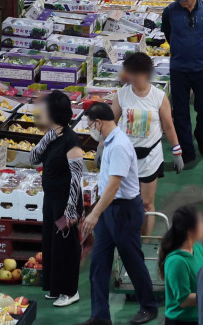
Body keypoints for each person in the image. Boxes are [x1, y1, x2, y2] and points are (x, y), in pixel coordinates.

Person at [81, 102, 158, 325]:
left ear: (98, 122)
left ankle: (149, 306)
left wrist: (94, 214)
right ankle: (99, 316)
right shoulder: (109, 142)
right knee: (99, 263)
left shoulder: (120, 146)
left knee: (132, 260)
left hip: (124, 210)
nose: (90, 129)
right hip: (109, 209)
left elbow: (115, 185)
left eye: (90, 125)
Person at [112, 52, 184, 236]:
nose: (132, 77)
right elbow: (110, 124)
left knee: (146, 203)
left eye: (136, 73)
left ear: (146, 73)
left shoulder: (159, 97)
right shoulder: (121, 96)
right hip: (124, 158)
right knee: (125, 202)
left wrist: (177, 153)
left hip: (150, 158)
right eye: (130, 73)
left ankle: (144, 241)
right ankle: (125, 239)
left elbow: (168, 126)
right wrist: (101, 148)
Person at [29, 90, 85, 307]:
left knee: (66, 247)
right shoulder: (52, 135)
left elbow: (76, 178)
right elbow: (33, 158)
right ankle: (55, 287)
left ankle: (70, 291)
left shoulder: (72, 141)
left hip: (65, 202)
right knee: (51, 244)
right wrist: (47, 139)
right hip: (51, 200)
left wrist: (71, 210)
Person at [161, 0, 203, 161]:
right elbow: (168, 34)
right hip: (179, 68)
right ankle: (187, 151)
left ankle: (201, 134)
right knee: (181, 112)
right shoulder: (170, 11)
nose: (182, 1)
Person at [160, 206, 203, 325]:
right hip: (181, 320)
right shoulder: (177, 262)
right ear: (190, 231)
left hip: (199, 317)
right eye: (201, 223)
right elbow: (184, 300)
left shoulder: (197, 247)